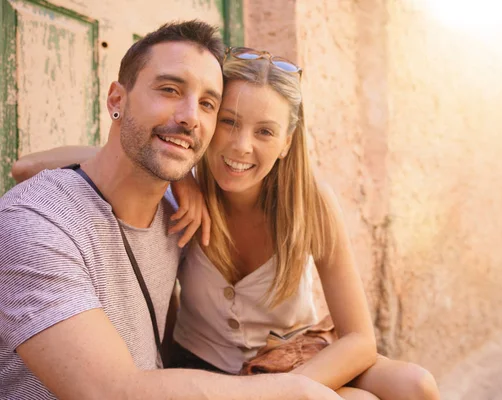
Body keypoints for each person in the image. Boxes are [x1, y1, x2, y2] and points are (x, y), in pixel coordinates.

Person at [12, 46, 441, 400]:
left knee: (416, 386)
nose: (241, 146)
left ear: (287, 142)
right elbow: (27, 167)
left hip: (294, 356)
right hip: (207, 367)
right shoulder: (177, 187)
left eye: (265, 132)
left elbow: (360, 339)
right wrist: (182, 183)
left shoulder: (310, 203)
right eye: (229, 123)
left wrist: (292, 386)